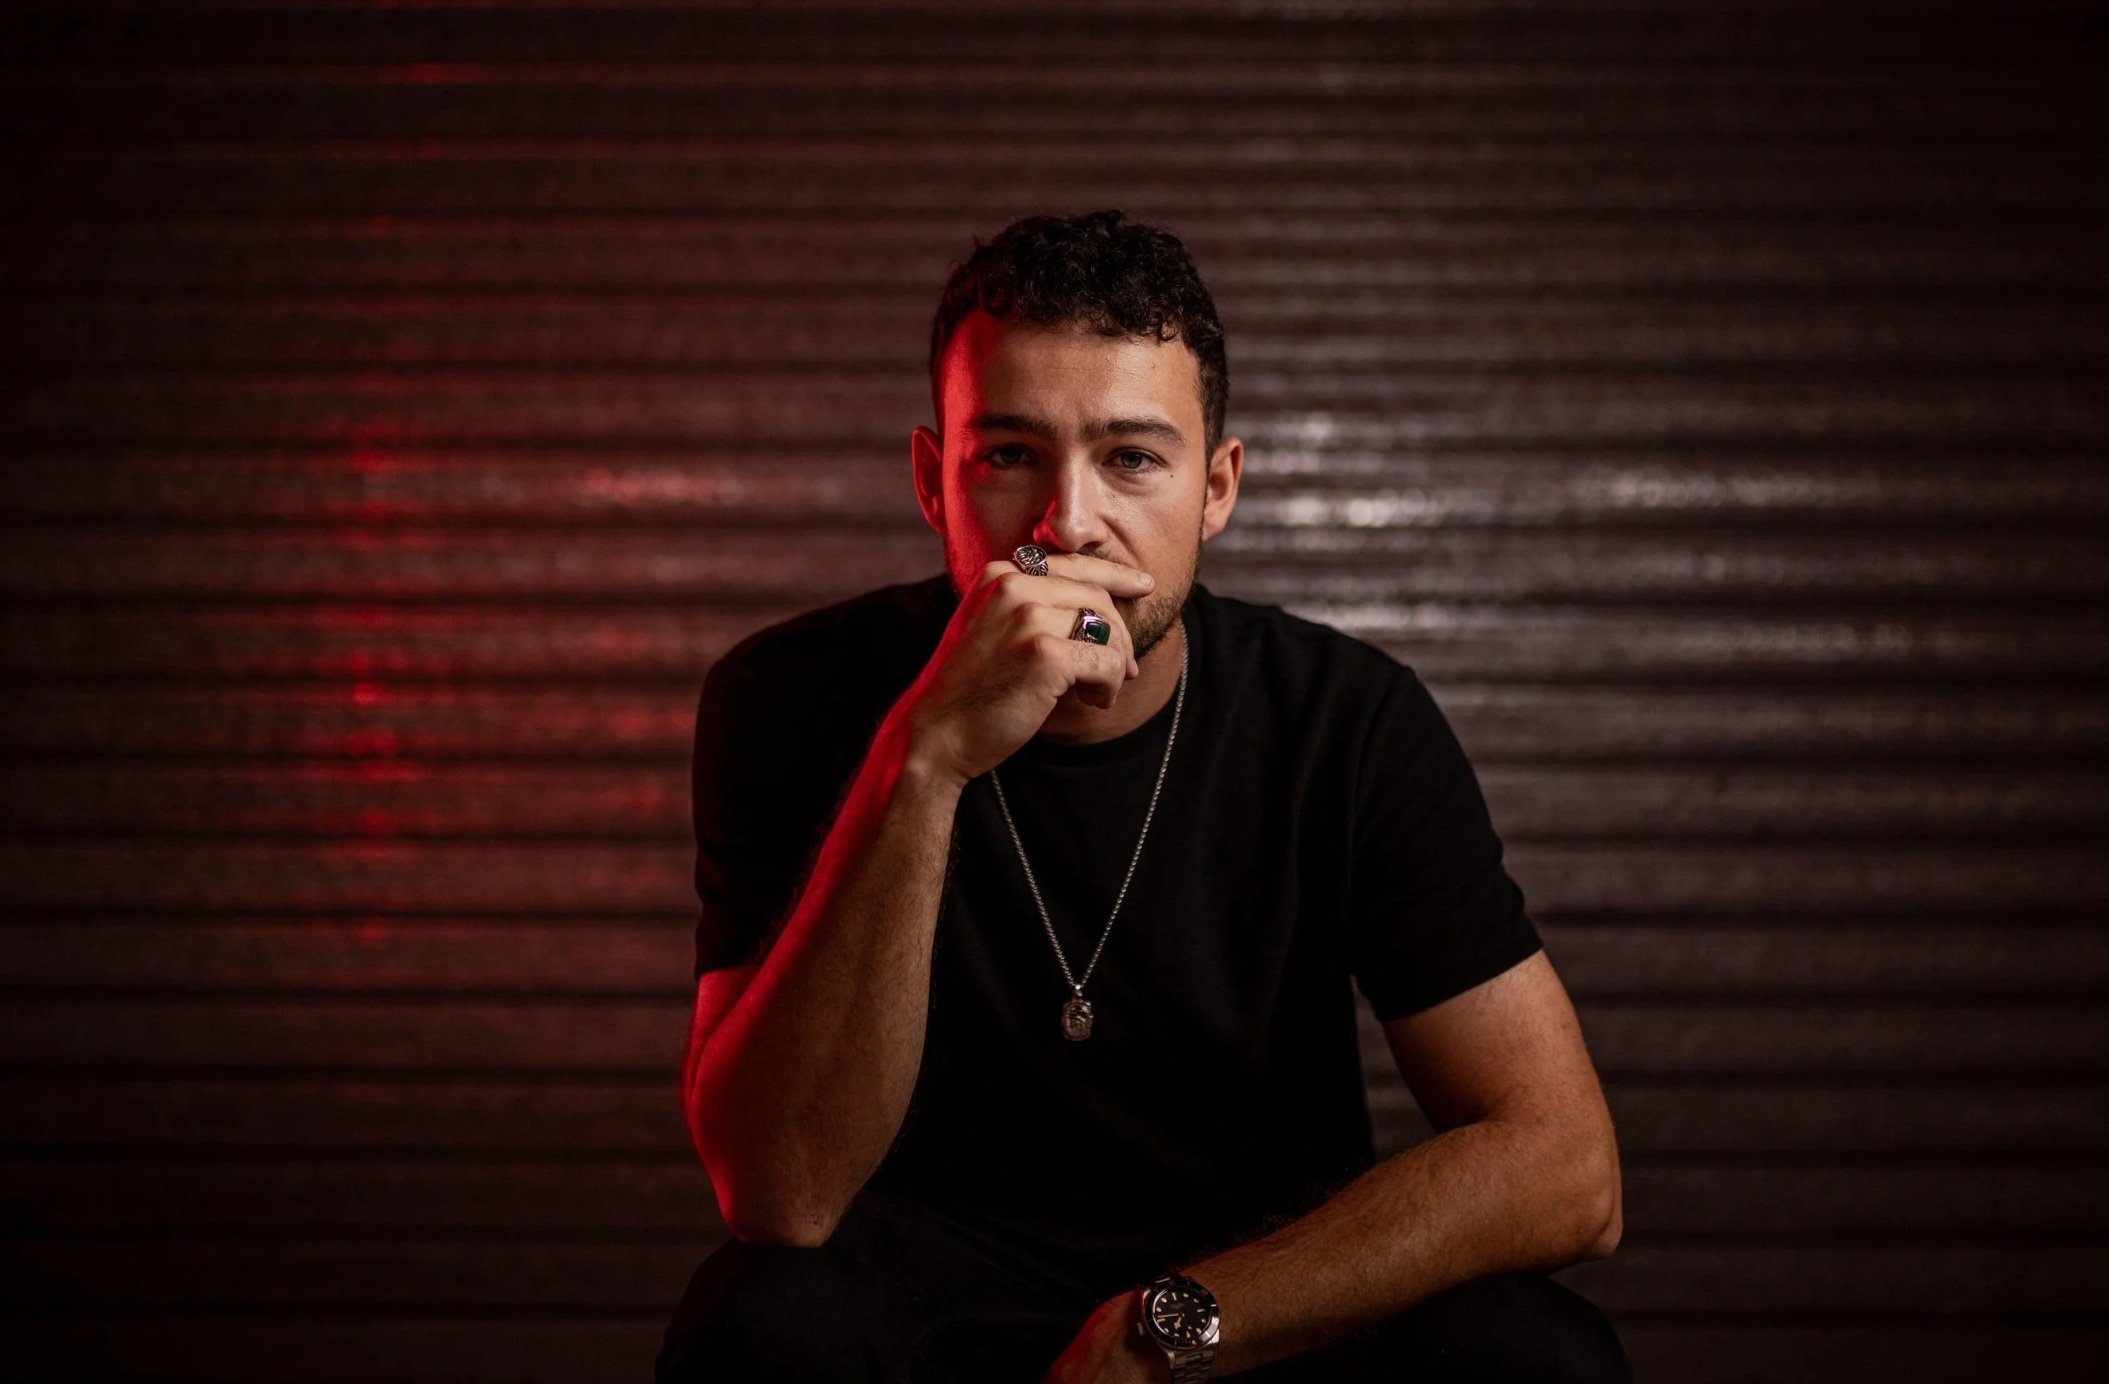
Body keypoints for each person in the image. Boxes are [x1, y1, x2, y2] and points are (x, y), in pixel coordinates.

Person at [656, 209, 1630, 1383]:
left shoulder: (1345, 719)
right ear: (932, 481)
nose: (1069, 522)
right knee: (757, 1326)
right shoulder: (792, 697)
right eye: (1009, 454)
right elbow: (778, 1193)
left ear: (1216, 488)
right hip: (928, 1317)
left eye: (1131, 459)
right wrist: (925, 758)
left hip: (1252, 1306)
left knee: (1536, 1355)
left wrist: (1174, 1325)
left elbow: (1568, 1165)